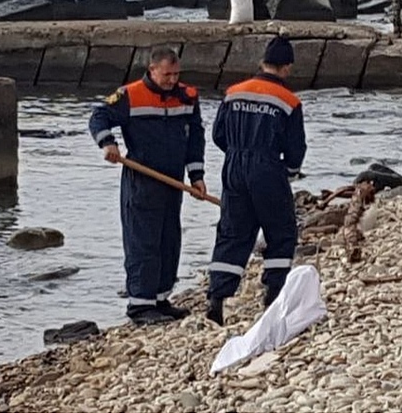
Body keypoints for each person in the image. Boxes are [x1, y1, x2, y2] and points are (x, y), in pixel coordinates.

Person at [88, 47, 207, 325]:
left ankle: (160, 298)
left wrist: (196, 175)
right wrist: (108, 143)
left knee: (169, 239)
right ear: (152, 70)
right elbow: (98, 117)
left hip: (173, 180)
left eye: (176, 74)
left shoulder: (187, 97)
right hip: (142, 179)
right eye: (167, 74)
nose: (172, 80)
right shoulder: (130, 95)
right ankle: (140, 305)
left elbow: (195, 137)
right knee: (143, 241)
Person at [206, 36, 307, 326]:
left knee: (232, 231)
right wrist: (289, 171)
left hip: (234, 166)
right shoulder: (289, 101)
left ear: (262, 62)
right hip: (267, 168)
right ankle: (273, 293)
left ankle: (217, 297)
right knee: (281, 229)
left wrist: (237, 154)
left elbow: (218, 135)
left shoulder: (234, 92)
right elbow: (295, 147)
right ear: (287, 67)